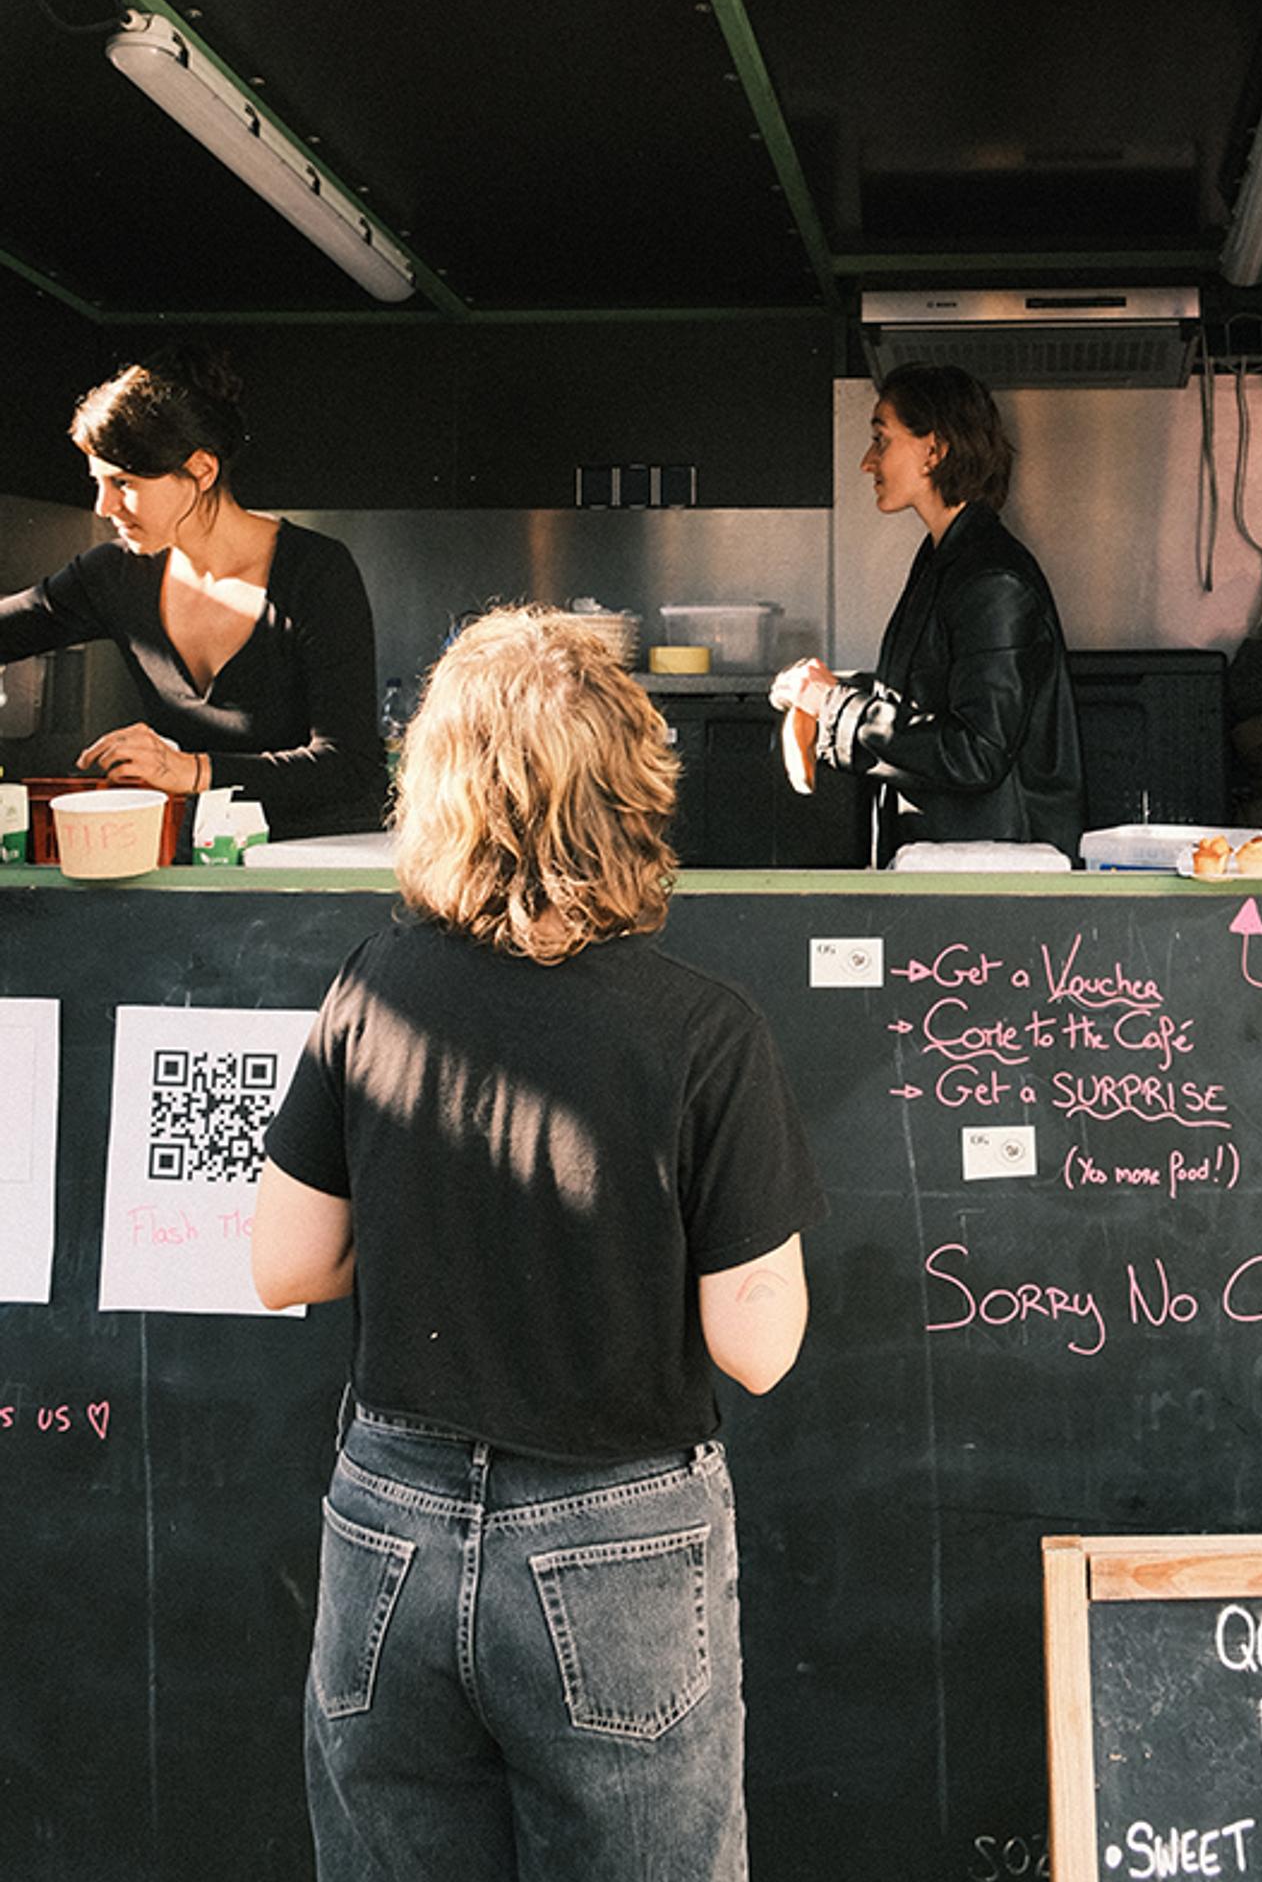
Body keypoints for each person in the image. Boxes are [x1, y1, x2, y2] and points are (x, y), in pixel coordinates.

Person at [252, 605, 823, 1882]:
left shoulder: (373, 988)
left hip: (389, 1526)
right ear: (634, 789)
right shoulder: (706, 1032)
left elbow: (285, 1263)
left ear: (437, 789)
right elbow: (760, 1346)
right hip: (617, 1538)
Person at [0, 347, 385, 841]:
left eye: (123, 483)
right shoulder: (113, 574)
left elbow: (348, 766)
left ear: (202, 470)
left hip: (320, 858)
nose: (103, 506)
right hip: (198, 860)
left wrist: (193, 770)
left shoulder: (315, 570)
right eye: (98, 483)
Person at [771, 364, 1085, 861]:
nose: (868, 462)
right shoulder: (945, 560)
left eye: (882, 440)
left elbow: (976, 753)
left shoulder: (991, 579)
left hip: (995, 874)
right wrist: (829, 694)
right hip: (954, 863)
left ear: (934, 450)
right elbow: (927, 704)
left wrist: (834, 706)